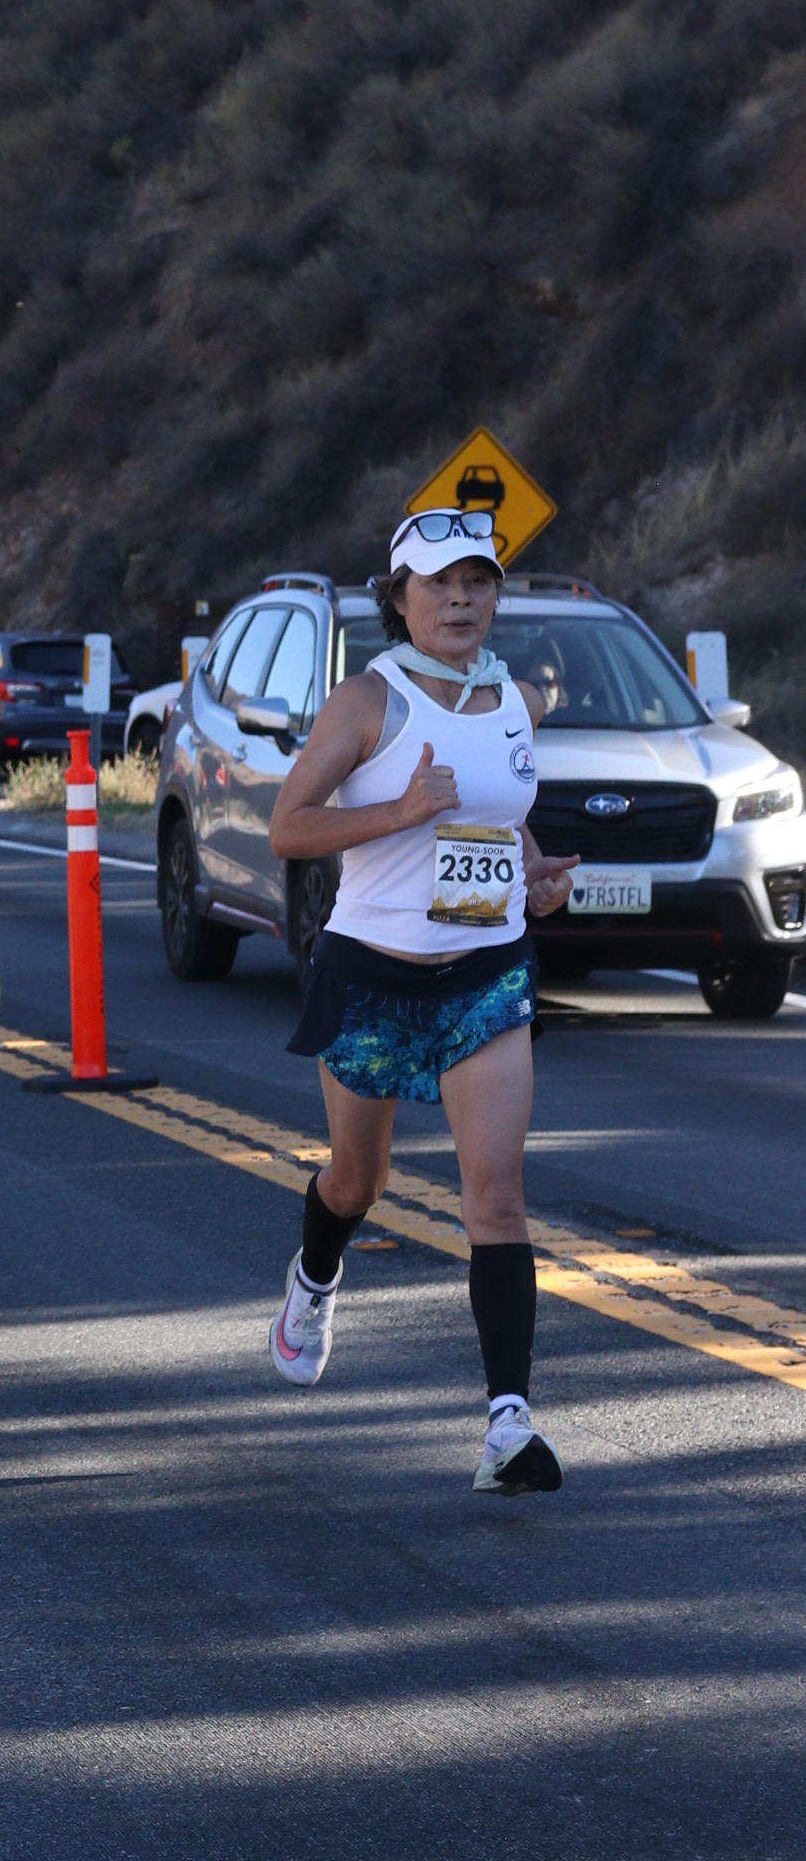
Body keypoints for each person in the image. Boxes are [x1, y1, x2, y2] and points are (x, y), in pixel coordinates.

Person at [264, 506, 578, 1489]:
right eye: (438, 583)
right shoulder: (368, 701)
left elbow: (499, 820)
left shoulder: (516, 702)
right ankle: (315, 1276)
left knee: (497, 1196)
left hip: (485, 973)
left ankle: (507, 1426)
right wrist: (398, 811)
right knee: (357, 1183)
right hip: (372, 974)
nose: (459, 599)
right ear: (398, 598)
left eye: (477, 581)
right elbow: (288, 827)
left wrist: (533, 875)